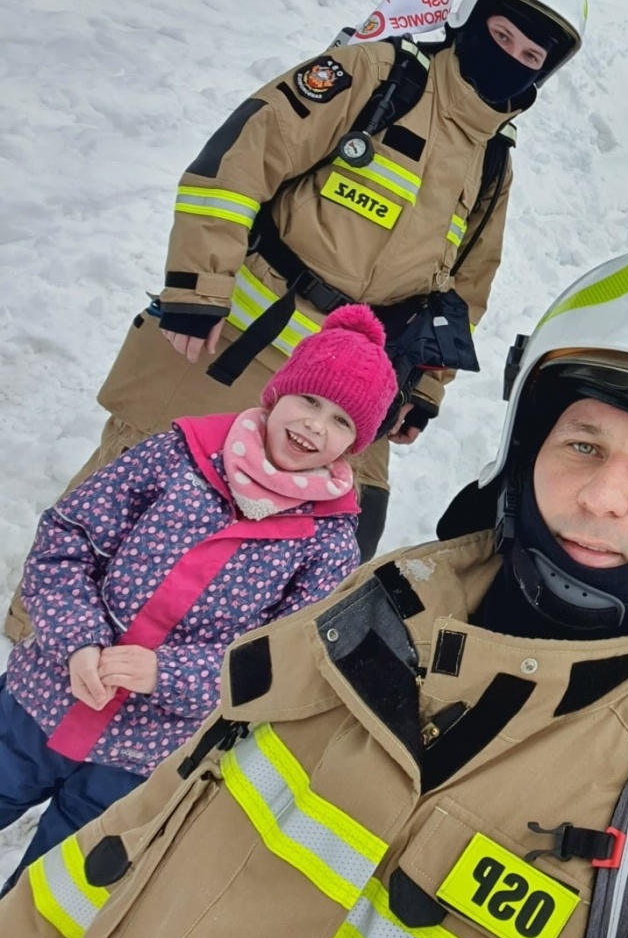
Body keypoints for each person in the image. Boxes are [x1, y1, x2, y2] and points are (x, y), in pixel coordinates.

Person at [0, 241, 628, 938]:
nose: (603, 496)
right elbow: (124, 846)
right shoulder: (360, 617)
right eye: (583, 443)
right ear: (525, 450)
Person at [3, 0, 587, 650]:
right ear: (469, 14)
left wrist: (425, 389)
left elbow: (464, 289)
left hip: (351, 387)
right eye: (502, 36)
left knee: (329, 547)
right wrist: (197, 285)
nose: (512, 57)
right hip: (233, 344)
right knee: (135, 494)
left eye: (531, 53)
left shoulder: (494, 158)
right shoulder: (376, 76)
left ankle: (180, 691)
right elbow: (237, 161)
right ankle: (36, 650)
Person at [0, 305, 396, 889]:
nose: (315, 426)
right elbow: (69, 539)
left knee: (51, 892)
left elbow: (284, 662)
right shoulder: (179, 453)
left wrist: (168, 673)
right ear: (279, 392)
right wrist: (77, 639)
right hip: (41, 698)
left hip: (143, 756)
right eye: (310, 401)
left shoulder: (329, 541)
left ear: (354, 443)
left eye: (340, 421)